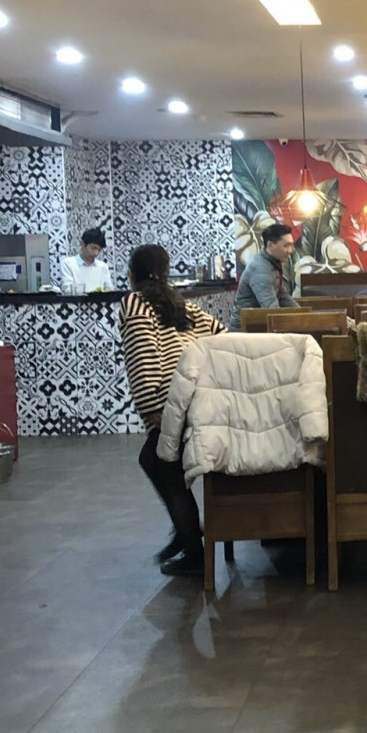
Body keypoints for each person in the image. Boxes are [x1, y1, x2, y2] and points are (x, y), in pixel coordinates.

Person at [119, 244, 226, 575]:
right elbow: (221, 335)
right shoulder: (182, 304)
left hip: (170, 404)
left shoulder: (134, 303)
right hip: (196, 399)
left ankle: (193, 549)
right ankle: (185, 533)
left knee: (162, 464)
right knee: (156, 461)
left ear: (132, 274)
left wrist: (151, 409)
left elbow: (142, 358)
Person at [228, 223, 298, 329]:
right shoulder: (261, 270)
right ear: (270, 245)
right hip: (244, 331)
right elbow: (272, 310)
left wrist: (305, 316)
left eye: (291, 245)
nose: (290, 250)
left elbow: (282, 296)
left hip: (256, 326)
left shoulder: (271, 263)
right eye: (286, 246)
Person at [60, 227, 112, 294]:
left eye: (99, 250)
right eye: (93, 248)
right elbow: (67, 289)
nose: (96, 253)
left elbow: (109, 289)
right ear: (82, 243)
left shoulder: (103, 267)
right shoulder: (68, 263)